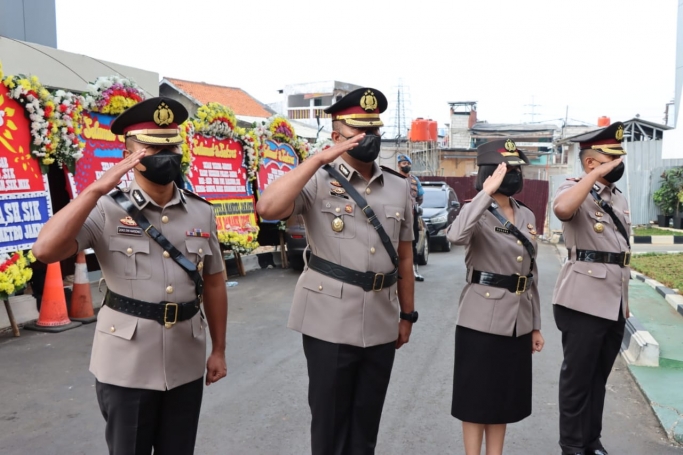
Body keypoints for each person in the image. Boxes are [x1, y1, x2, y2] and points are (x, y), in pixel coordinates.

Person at [32, 97, 228, 455]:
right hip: (126, 366)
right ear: (129, 153)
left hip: (186, 360)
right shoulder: (104, 209)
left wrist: (219, 350)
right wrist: (94, 189)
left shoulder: (200, 211)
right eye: (151, 146)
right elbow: (45, 250)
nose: (163, 153)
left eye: (171, 145)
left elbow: (214, 281)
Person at [256, 87, 417, 455]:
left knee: (365, 425)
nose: (368, 140)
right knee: (329, 425)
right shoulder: (315, 179)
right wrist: (315, 160)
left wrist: (407, 314)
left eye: (373, 132)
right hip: (327, 320)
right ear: (336, 136)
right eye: (358, 133)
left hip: (381, 317)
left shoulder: (397, 185)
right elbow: (267, 207)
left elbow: (404, 257)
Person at [446, 139, 544, 455]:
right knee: (475, 399)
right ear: (490, 172)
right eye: (508, 169)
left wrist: (535, 325)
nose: (515, 175)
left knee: (502, 399)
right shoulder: (475, 211)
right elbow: (455, 236)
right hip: (480, 320)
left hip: (517, 321)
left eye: (517, 169)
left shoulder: (526, 215)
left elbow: (531, 274)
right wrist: (484, 194)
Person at [552, 122, 630, 455]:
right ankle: (571, 444)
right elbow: (563, 210)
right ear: (590, 164)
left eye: (620, 158)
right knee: (577, 379)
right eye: (611, 159)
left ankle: (590, 439)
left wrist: (625, 303)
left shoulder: (619, 197)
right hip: (582, 301)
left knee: (598, 378)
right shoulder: (572, 189)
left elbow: (622, 255)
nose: (618, 165)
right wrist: (591, 180)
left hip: (613, 303)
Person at [397, 154, 425, 281]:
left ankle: (414, 271)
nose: (406, 166)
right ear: (399, 165)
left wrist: (415, 206)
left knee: (412, 243)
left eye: (408, 164)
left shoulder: (415, 180)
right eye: (404, 164)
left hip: (411, 216)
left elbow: (420, 197)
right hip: (396, 216)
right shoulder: (393, 179)